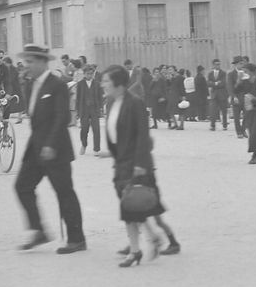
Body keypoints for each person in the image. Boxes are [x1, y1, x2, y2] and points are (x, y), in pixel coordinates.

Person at [100, 65, 180, 266]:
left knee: (145, 208)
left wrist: (140, 164)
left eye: (106, 81)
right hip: (122, 163)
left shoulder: (134, 103)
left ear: (118, 83)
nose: (103, 84)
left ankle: (158, 242)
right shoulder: (112, 103)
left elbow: (143, 137)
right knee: (134, 208)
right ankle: (146, 241)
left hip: (137, 165)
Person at [14, 44, 86, 254]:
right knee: (22, 186)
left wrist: (51, 144)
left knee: (64, 193)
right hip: (35, 149)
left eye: (31, 62)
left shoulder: (57, 85)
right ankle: (38, 230)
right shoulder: (30, 85)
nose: (27, 65)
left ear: (43, 62)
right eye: (26, 61)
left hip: (55, 150)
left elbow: (61, 117)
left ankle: (76, 239)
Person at [235, 62, 256, 164]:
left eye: (246, 71)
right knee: (252, 132)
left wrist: (254, 99)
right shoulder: (245, 82)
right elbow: (236, 90)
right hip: (249, 110)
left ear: (252, 72)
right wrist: (239, 80)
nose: (244, 73)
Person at [75, 64, 103, 156]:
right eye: (87, 74)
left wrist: (101, 108)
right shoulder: (80, 84)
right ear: (84, 74)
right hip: (84, 109)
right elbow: (78, 98)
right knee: (84, 129)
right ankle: (84, 145)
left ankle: (96, 149)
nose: (89, 75)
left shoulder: (97, 84)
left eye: (91, 74)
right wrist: (77, 111)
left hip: (94, 109)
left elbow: (100, 97)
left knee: (96, 129)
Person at [206, 58, 229, 130]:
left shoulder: (223, 73)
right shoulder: (210, 73)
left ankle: (224, 125)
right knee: (212, 111)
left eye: (219, 64)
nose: (218, 66)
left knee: (224, 111)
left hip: (222, 94)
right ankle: (212, 125)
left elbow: (223, 83)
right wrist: (216, 83)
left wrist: (213, 84)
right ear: (213, 65)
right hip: (213, 94)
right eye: (216, 64)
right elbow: (208, 83)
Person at [226, 56, 246, 138]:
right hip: (236, 96)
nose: (242, 65)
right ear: (236, 64)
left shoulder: (245, 72)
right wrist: (233, 96)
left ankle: (243, 129)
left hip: (245, 96)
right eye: (240, 64)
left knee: (247, 115)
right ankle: (239, 132)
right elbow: (229, 87)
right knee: (237, 117)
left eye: (242, 63)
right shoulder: (231, 74)